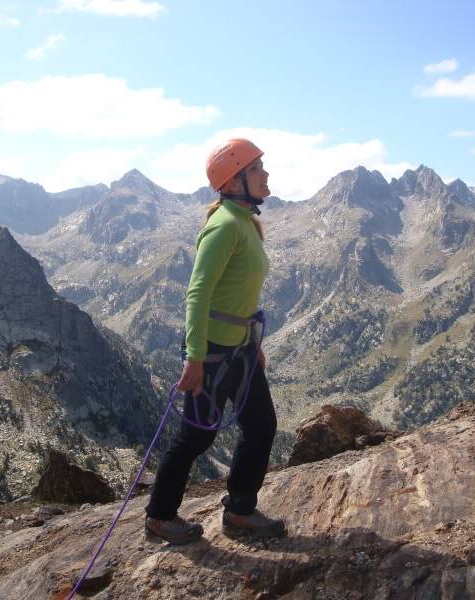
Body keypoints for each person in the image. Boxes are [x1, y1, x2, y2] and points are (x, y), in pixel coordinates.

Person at [144, 138, 286, 544]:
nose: (265, 174)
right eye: (257, 168)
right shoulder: (224, 226)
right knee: (196, 436)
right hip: (214, 354)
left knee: (261, 426)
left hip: (239, 349)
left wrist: (252, 341)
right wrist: (194, 357)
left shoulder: (242, 221)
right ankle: (159, 517)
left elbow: (236, 293)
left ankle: (240, 511)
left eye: (261, 167)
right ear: (235, 179)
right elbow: (198, 291)